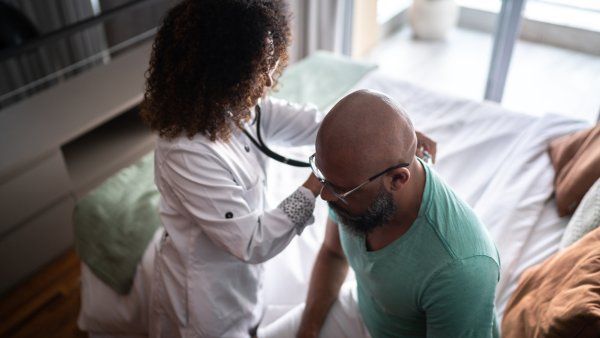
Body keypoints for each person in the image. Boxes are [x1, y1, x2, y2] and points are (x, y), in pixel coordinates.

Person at [141, 1, 437, 336]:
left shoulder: (237, 109)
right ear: (218, 73)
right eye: (256, 70)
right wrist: (318, 181)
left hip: (241, 283)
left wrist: (393, 137)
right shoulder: (185, 152)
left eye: (269, 64)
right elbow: (252, 242)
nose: (268, 79)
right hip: (203, 301)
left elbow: (315, 124)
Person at [258, 90, 500, 338]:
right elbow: (333, 254)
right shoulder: (348, 184)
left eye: (338, 189)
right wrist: (308, 331)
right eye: (324, 178)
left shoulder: (461, 268)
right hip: (364, 310)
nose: (325, 196)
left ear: (397, 179)